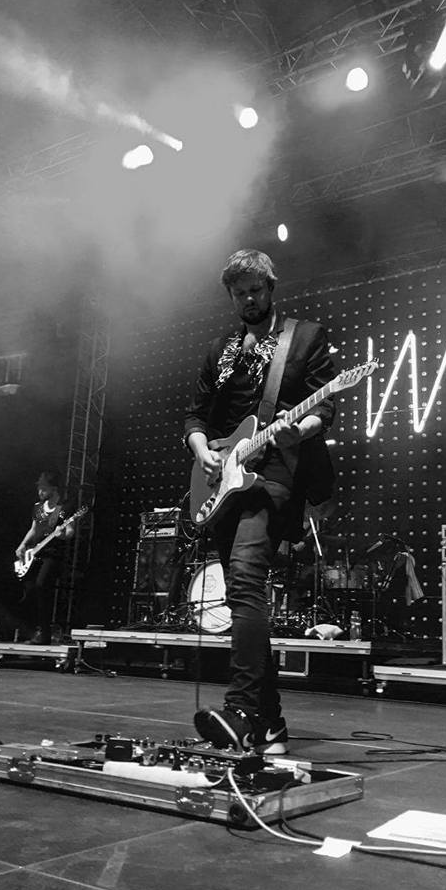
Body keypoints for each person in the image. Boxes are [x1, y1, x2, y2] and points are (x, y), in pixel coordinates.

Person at [184, 248, 336, 754]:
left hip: (274, 477)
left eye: (256, 289)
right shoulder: (219, 350)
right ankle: (270, 725)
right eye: (239, 293)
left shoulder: (304, 337)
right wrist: (203, 451)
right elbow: (195, 415)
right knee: (239, 593)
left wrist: (300, 430)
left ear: (271, 288)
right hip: (223, 480)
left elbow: (324, 406)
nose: (248, 299)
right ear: (231, 297)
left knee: (247, 579)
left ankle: (243, 709)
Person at [15, 471, 75, 645]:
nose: (40, 492)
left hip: (53, 554)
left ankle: (45, 634)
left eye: (43, 489)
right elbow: (33, 529)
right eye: (39, 488)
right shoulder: (38, 508)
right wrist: (22, 545)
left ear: (54, 489)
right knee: (29, 590)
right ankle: (34, 630)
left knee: (42, 586)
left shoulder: (64, 508)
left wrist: (62, 535)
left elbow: (70, 531)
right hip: (35, 553)